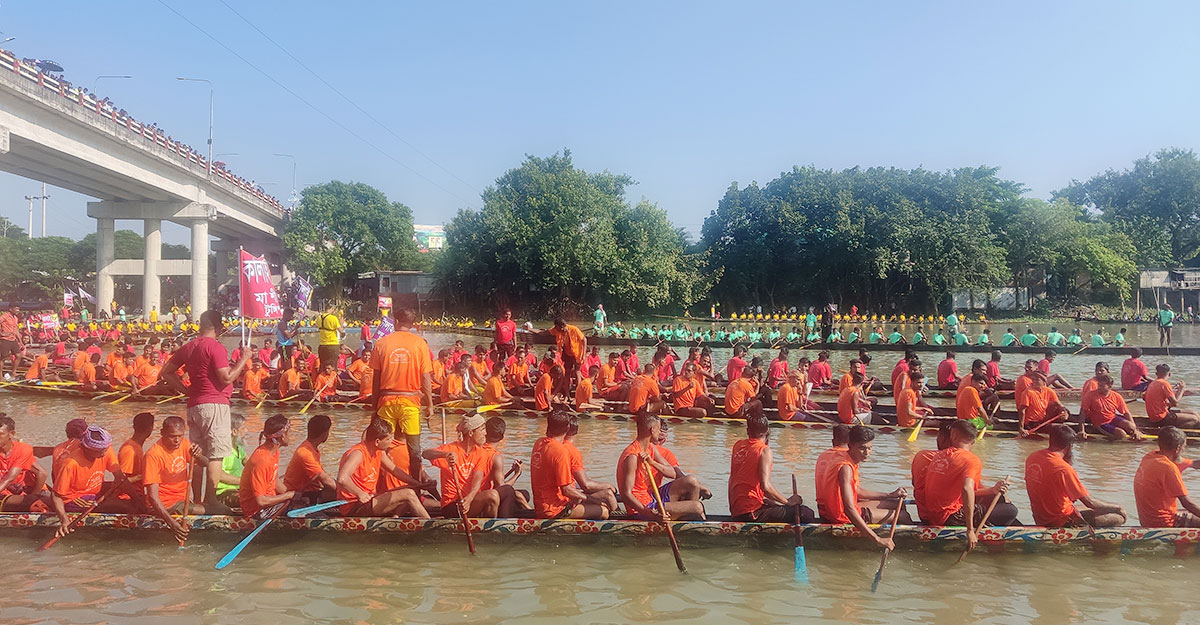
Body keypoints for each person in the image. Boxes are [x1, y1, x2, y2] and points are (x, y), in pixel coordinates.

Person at [160, 310, 249, 511]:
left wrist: (187, 391)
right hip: (215, 405)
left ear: (200, 326)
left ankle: (198, 498)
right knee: (215, 454)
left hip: (194, 405)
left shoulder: (188, 346)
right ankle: (211, 501)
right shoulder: (215, 347)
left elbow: (166, 372)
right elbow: (226, 377)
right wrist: (244, 358)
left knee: (198, 454)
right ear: (219, 328)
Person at [923, 420, 1018, 542]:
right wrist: (970, 530)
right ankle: (994, 542)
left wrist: (992, 490)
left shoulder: (939, 455)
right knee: (1010, 510)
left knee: (999, 498)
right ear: (973, 441)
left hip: (935, 514)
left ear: (953, 436)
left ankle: (993, 529)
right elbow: (967, 489)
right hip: (951, 517)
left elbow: (967, 491)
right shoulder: (971, 460)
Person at [815, 426, 907, 550]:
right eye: (862, 448)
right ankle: (906, 547)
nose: (867, 453)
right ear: (850, 446)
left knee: (898, 504)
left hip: (832, 510)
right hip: (841, 516)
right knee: (903, 516)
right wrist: (877, 539)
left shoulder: (843, 456)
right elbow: (849, 509)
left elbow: (857, 491)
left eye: (870, 448)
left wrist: (890, 495)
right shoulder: (846, 468)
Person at [371, 307, 435, 485]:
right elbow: (425, 378)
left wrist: (373, 405)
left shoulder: (381, 343)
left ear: (395, 322)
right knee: (414, 450)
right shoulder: (420, 344)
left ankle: (379, 486)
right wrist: (430, 404)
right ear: (413, 324)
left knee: (380, 448)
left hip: (386, 401)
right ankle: (416, 488)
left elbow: (376, 379)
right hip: (411, 403)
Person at [1025, 424, 1126, 528]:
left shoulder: (1032, 458)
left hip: (1040, 518)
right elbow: (1090, 503)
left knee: (1088, 508)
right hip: (1061, 521)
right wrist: (1117, 507)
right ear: (1069, 446)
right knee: (1119, 517)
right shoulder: (1064, 469)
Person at [50, 426, 138, 538]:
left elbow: (121, 478)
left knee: (131, 498)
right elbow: (56, 496)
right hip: (74, 499)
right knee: (123, 506)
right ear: (87, 449)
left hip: (94, 492)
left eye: (106, 450)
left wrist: (137, 499)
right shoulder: (70, 464)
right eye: (100, 451)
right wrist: (64, 520)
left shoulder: (106, 450)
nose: (104, 454)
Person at [616, 413, 705, 521]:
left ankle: (687, 520)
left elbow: (673, 473)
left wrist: (652, 463)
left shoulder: (651, 447)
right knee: (697, 507)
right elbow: (626, 495)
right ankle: (689, 519)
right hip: (641, 508)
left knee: (691, 481)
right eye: (659, 429)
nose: (660, 433)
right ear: (652, 430)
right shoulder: (632, 456)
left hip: (652, 497)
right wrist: (648, 513)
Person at [338, 419, 432, 517]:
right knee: (408, 494)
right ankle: (431, 526)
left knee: (410, 487)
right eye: (388, 439)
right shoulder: (357, 454)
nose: (391, 442)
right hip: (355, 505)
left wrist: (418, 484)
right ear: (377, 441)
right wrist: (359, 493)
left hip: (371, 499)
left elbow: (395, 470)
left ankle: (396, 517)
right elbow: (342, 479)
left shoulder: (379, 452)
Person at [728, 414, 811, 522]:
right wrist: (787, 502)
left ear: (748, 431)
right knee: (807, 514)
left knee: (775, 505)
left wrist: (773, 502)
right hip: (751, 512)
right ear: (767, 432)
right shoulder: (764, 450)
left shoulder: (738, 445)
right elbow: (765, 487)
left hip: (736, 510)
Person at [531, 410, 609, 519]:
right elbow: (566, 491)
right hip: (554, 510)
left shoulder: (539, 443)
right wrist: (595, 501)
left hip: (541, 506)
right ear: (567, 429)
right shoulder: (560, 451)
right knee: (604, 511)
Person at [143, 416, 209, 542]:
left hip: (181, 499)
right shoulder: (153, 455)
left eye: (180, 436)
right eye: (172, 436)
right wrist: (172, 524)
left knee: (197, 468)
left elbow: (205, 464)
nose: (177, 440)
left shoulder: (184, 443)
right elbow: (152, 497)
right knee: (212, 511)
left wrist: (199, 455)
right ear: (162, 433)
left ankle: (196, 501)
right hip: (166, 503)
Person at [423, 414, 501, 518]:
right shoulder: (451, 448)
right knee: (492, 496)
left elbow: (477, 479)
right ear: (470, 433)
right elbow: (425, 454)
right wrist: (444, 455)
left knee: (494, 495)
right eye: (482, 430)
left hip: (469, 501)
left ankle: (487, 530)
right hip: (451, 505)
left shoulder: (481, 453)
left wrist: (469, 499)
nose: (485, 433)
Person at [1134, 426, 1200, 527]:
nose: (1184, 450)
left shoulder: (1150, 456)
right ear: (1177, 449)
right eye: (1184, 447)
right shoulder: (1169, 468)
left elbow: (1192, 463)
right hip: (1164, 523)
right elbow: (1187, 504)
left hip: (1147, 520)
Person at [238, 414, 297, 518]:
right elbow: (261, 501)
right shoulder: (261, 460)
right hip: (256, 511)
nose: (291, 436)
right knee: (303, 511)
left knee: (302, 503)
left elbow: (274, 480)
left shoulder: (274, 452)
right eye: (290, 433)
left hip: (268, 502)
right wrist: (288, 495)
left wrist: (293, 495)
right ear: (282, 437)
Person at [283, 415, 337, 506]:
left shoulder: (311, 448)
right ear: (324, 434)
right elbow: (327, 481)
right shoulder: (306, 453)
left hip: (309, 490)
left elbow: (322, 477)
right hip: (297, 496)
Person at [0, 415, 49, 512]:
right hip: (6, 494)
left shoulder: (24, 449)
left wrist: (33, 496)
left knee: (44, 501)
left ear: (11, 434)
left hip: (28, 491)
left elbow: (9, 478)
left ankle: (34, 503)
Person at [910, 422, 954, 523]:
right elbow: (969, 491)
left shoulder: (921, 455)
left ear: (941, 438)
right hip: (944, 517)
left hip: (923, 515)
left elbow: (914, 483)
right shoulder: (958, 459)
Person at [1081, 374, 1143, 441]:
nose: (1099, 387)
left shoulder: (1116, 396)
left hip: (1112, 418)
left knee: (1131, 426)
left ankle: (1134, 433)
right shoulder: (1090, 395)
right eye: (1098, 385)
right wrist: (1082, 430)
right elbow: (1082, 413)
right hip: (1100, 423)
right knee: (1121, 434)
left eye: (1101, 386)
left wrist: (1135, 430)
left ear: (1109, 386)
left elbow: (1126, 413)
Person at [1018, 372, 1076, 437]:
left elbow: (1059, 404)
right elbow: (1022, 410)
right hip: (1032, 423)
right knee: (1059, 428)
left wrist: (1065, 412)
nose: (1034, 381)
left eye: (1037, 380)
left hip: (1044, 420)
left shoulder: (1049, 391)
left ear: (1044, 382)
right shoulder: (1027, 392)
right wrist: (1021, 428)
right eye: (1033, 379)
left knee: (1055, 406)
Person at [116, 412, 155, 506]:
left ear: (133, 427)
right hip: (127, 499)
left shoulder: (136, 447)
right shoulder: (130, 451)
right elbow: (120, 482)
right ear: (150, 429)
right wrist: (145, 475)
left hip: (137, 495)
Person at [1145, 364, 1200, 429]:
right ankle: (1178, 431)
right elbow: (1175, 403)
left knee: (1195, 413)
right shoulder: (1164, 384)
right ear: (1169, 374)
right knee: (1194, 419)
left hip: (1157, 415)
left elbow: (1169, 403)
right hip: (1160, 418)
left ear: (1156, 374)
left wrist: (1178, 391)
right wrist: (1181, 389)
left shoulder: (1153, 383)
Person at [547, 318, 586, 386]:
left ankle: (578, 391)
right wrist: (530, 329)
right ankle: (567, 393)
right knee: (567, 373)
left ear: (562, 327)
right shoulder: (556, 330)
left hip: (577, 354)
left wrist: (584, 354)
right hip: (566, 354)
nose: (556, 329)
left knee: (577, 372)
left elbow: (584, 339)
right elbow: (544, 332)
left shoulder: (574, 329)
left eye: (557, 327)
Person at [317, 305, 343, 371]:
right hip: (332, 345)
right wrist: (341, 324)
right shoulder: (333, 318)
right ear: (331, 309)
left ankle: (321, 380)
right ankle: (333, 380)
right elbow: (342, 332)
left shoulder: (319, 318)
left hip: (322, 345)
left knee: (323, 366)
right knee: (333, 366)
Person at [0, 304, 22, 381]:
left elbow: (16, 330)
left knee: (19, 355)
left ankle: (14, 372)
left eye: (18, 309)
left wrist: (20, 341)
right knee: (3, 358)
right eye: (16, 309)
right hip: (5, 339)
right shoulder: (4, 316)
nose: (18, 310)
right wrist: (1, 333)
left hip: (13, 339)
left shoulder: (15, 318)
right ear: (10, 309)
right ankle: (0, 376)